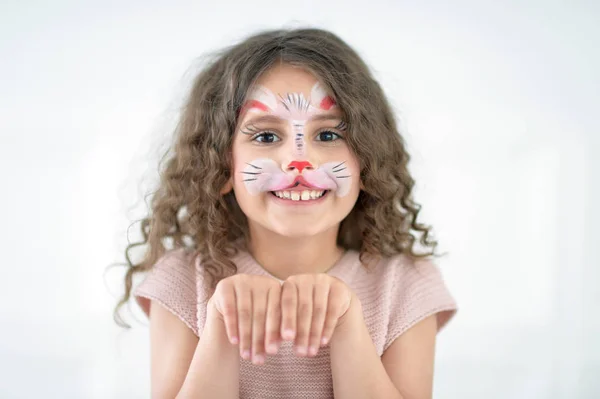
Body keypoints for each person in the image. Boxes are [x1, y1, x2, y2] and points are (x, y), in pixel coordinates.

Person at [114, 27, 458, 399]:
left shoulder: (406, 284)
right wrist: (222, 325)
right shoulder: (183, 281)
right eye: (265, 137)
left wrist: (347, 325)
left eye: (327, 135)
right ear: (222, 165)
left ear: (367, 158)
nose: (299, 161)